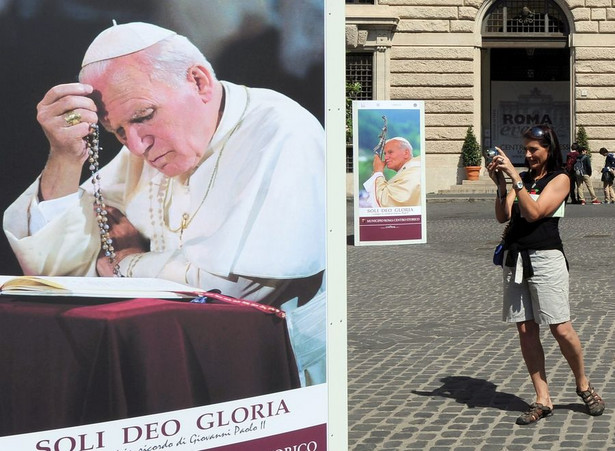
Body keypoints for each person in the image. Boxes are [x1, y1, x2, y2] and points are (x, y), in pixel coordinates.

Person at [2, 22, 326, 386]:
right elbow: (61, 270)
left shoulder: (280, 130)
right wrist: (65, 157)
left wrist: (128, 261)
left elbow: (237, 290)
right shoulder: (141, 152)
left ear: (199, 82)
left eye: (143, 117)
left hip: (281, 371)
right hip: (172, 366)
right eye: (119, 132)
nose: (137, 147)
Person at [487, 124, 605, 425]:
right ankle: (543, 398)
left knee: (560, 328)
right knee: (525, 329)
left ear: (548, 150)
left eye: (533, 150)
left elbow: (535, 213)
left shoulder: (561, 179)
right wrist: (503, 185)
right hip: (516, 260)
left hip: (546, 258)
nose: (527, 156)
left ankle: (582, 384)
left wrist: (517, 182)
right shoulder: (523, 178)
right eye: (525, 150)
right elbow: (504, 215)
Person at [362, 137, 421, 207]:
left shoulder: (412, 173)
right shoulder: (407, 171)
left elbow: (385, 202)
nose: (386, 157)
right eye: (385, 154)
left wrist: (378, 172)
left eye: (390, 152)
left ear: (406, 153)